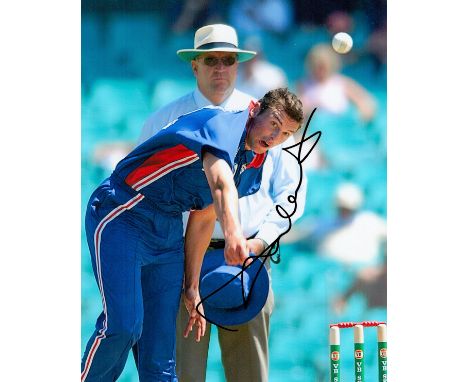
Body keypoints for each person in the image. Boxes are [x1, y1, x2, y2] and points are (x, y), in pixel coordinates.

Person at [81, 87, 304, 382]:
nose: (275, 137)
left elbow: (202, 218)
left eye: (286, 134)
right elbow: (220, 183)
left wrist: (193, 286)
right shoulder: (222, 124)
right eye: (274, 123)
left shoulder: (252, 161)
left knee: (160, 357)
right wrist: (234, 232)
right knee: (124, 326)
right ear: (255, 108)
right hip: (123, 212)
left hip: (168, 228)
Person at [137, 24, 306, 382]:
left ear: (239, 64)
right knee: (182, 374)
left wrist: (259, 241)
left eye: (228, 60)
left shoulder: (268, 119)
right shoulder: (164, 120)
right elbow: (142, 193)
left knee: (249, 375)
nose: (220, 68)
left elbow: (290, 195)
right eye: (210, 59)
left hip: (247, 261)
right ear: (194, 64)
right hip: (179, 260)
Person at [297, 43, 376, 122]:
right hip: (316, 125)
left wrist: (361, 115)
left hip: (339, 125)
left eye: (322, 66)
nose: (319, 70)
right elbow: (298, 111)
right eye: (316, 65)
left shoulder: (341, 83)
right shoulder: (303, 85)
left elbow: (365, 102)